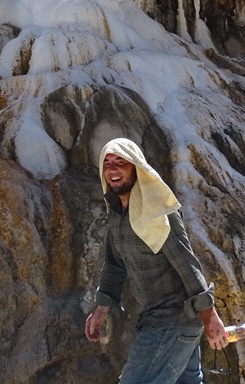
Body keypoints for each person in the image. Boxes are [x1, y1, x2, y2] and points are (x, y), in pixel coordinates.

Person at [85, 137, 229, 384]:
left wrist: (210, 316)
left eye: (121, 162)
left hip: (171, 322)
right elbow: (114, 264)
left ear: (136, 168)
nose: (113, 169)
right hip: (168, 323)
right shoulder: (118, 213)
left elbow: (186, 262)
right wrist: (101, 309)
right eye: (107, 163)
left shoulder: (158, 210)